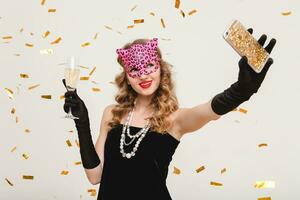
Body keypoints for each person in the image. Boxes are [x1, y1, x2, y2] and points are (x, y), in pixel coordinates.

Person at [62, 31, 276, 199]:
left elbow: (207, 111)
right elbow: (95, 176)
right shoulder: (112, 113)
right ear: (127, 77)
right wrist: (82, 123)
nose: (143, 74)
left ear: (161, 70)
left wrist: (240, 91)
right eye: (135, 70)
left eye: (149, 66)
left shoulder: (174, 120)